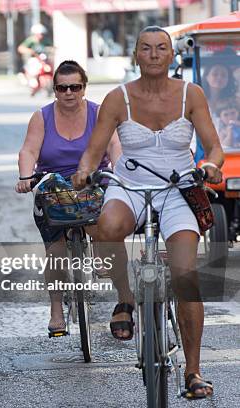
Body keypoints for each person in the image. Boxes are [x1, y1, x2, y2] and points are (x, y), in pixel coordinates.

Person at [72, 26, 223, 399]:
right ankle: (125, 298)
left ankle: (192, 371)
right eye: (146, 48)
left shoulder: (192, 94)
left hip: (178, 189)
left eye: (161, 48)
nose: (154, 54)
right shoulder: (117, 97)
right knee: (106, 228)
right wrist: (83, 170)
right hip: (131, 186)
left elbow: (214, 149)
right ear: (136, 55)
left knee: (187, 278)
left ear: (172, 56)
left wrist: (212, 167)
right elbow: (94, 150)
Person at [15, 60, 122, 335]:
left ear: (84, 87)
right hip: (54, 187)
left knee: (106, 216)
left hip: (93, 182)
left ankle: (102, 252)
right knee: (56, 252)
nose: (69, 93)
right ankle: (56, 310)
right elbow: (28, 151)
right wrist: (26, 177)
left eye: (75, 87)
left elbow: (115, 147)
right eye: (62, 88)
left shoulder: (100, 114)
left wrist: (122, 172)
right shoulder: (42, 117)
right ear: (55, 90)